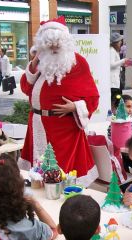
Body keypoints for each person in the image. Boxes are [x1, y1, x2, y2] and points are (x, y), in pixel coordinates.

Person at [19, 16, 99, 187]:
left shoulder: (78, 62)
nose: (54, 47)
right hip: (38, 124)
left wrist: (75, 107)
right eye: (49, 43)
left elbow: (93, 97)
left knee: (63, 172)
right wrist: (34, 63)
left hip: (64, 129)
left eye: (57, 42)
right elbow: (26, 87)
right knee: (38, 170)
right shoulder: (40, 62)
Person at [110, 33, 131, 111]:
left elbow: (114, 65)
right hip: (113, 81)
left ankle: (114, 112)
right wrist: (123, 60)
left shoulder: (114, 51)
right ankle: (113, 113)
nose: (121, 43)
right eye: (119, 41)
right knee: (115, 98)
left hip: (115, 80)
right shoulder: (111, 51)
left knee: (117, 97)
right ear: (116, 42)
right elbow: (111, 64)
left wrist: (122, 65)